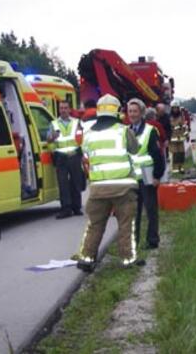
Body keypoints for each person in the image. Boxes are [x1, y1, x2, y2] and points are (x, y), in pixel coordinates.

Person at [76, 94, 143, 272]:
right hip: (123, 188)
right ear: (117, 112)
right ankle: (128, 259)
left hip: (98, 189)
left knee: (95, 224)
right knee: (125, 224)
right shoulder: (123, 131)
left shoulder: (88, 135)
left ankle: (87, 258)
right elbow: (135, 149)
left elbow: (86, 156)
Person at [127, 99, 165, 249]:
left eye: (135, 111)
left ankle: (152, 240)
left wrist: (157, 176)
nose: (132, 114)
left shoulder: (150, 131)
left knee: (150, 210)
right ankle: (133, 242)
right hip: (132, 177)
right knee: (133, 213)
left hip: (147, 175)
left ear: (141, 113)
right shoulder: (127, 131)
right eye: (130, 111)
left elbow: (158, 155)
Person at [47, 100, 86, 219]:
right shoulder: (53, 124)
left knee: (75, 182)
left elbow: (82, 138)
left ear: (69, 109)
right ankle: (66, 208)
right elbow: (49, 140)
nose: (63, 110)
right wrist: (53, 149)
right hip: (61, 157)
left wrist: (82, 153)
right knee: (63, 183)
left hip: (74, 155)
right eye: (61, 108)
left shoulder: (76, 122)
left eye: (65, 108)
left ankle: (76, 207)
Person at [169, 100, 189, 173]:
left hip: (180, 138)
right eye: (174, 108)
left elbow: (184, 126)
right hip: (172, 139)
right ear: (171, 108)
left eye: (176, 108)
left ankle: (181, 168)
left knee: (181, 154)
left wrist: (187, 135)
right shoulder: (169, 117)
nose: (175, 109)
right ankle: (175, 169)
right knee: (175, 154)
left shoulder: (181, 116)